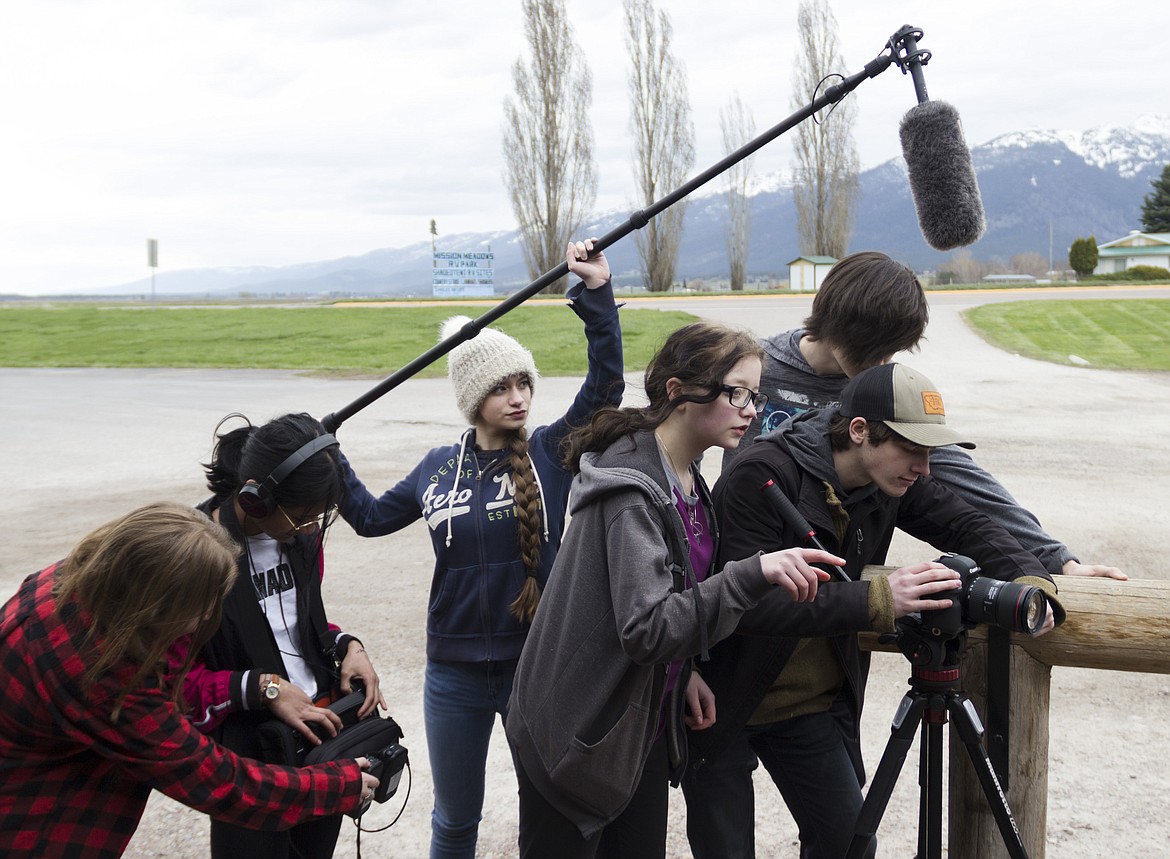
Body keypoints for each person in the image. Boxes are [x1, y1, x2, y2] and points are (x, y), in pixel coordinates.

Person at [683, 362, 1066, 859]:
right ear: (860, 431)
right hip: (722, 697)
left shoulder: (887, 479)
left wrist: (1033, 580)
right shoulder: (761, 474)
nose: (924, 467)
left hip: (810, 707)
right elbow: (747, 604)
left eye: (930, 452)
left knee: (848, 845)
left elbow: (970, 525)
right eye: (912, 449)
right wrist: (880, 599)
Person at [505, 320, 845, 859]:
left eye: (756, 395)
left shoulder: (687, 479)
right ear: (678, 392)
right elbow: (646, 627)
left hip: (635, 731)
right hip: (572, 735)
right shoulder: (633, 492)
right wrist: (751, 574)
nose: (751, 409)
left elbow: (666, 604)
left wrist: (683, 672)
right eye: (737, 393)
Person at [336, 239, 626, 859]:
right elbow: (367, 517)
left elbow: (606, 386)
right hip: (453, 675)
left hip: (537, 666)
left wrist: (598, 297)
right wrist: (326, 453)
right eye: (501, 386)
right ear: (474, 396)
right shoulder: (437, 468)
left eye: (524, 381)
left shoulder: (550, 451)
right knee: (454, 822)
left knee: (546, 820)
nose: (518, 395)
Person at [0, 502, 378, 859]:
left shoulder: (74, 582)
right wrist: (335, 786)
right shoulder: (100, 671)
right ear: (154, 603)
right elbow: (214, 780)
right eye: (205, 605)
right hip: (34, 828)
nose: (207, 619)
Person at [723, 249, 1125, 581]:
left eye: (892, 351)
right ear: (837, 320)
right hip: (743, 577)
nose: (880, 363)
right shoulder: (754, 370)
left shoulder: (883, 391)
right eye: (874, 347)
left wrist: (1057, 560)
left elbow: (957, 476)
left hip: (835, 588)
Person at [176, 412, 387, 859]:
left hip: (320, 734)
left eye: (319, 516)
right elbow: (176, 685)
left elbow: (297, 627)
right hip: (251, 755)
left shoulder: (302, 539)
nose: (311, 528)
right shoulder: (196, 555)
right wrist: (262, 688)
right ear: (256, 499)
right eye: (302, 517)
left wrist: (349, 646)